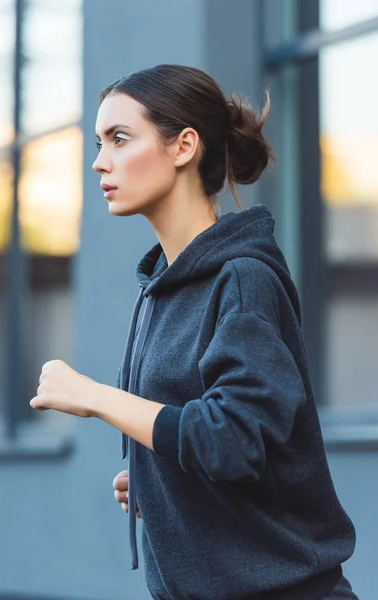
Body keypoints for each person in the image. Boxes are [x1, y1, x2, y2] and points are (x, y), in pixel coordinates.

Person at [31, 64, 359, 600]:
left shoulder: (243, 279)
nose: (99, 162)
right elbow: (212, 443)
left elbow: (232, 440)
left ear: (184, 146)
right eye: (98, 142)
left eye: (119, 138)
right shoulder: (163, 286)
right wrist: (165, 482)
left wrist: (94, 396)